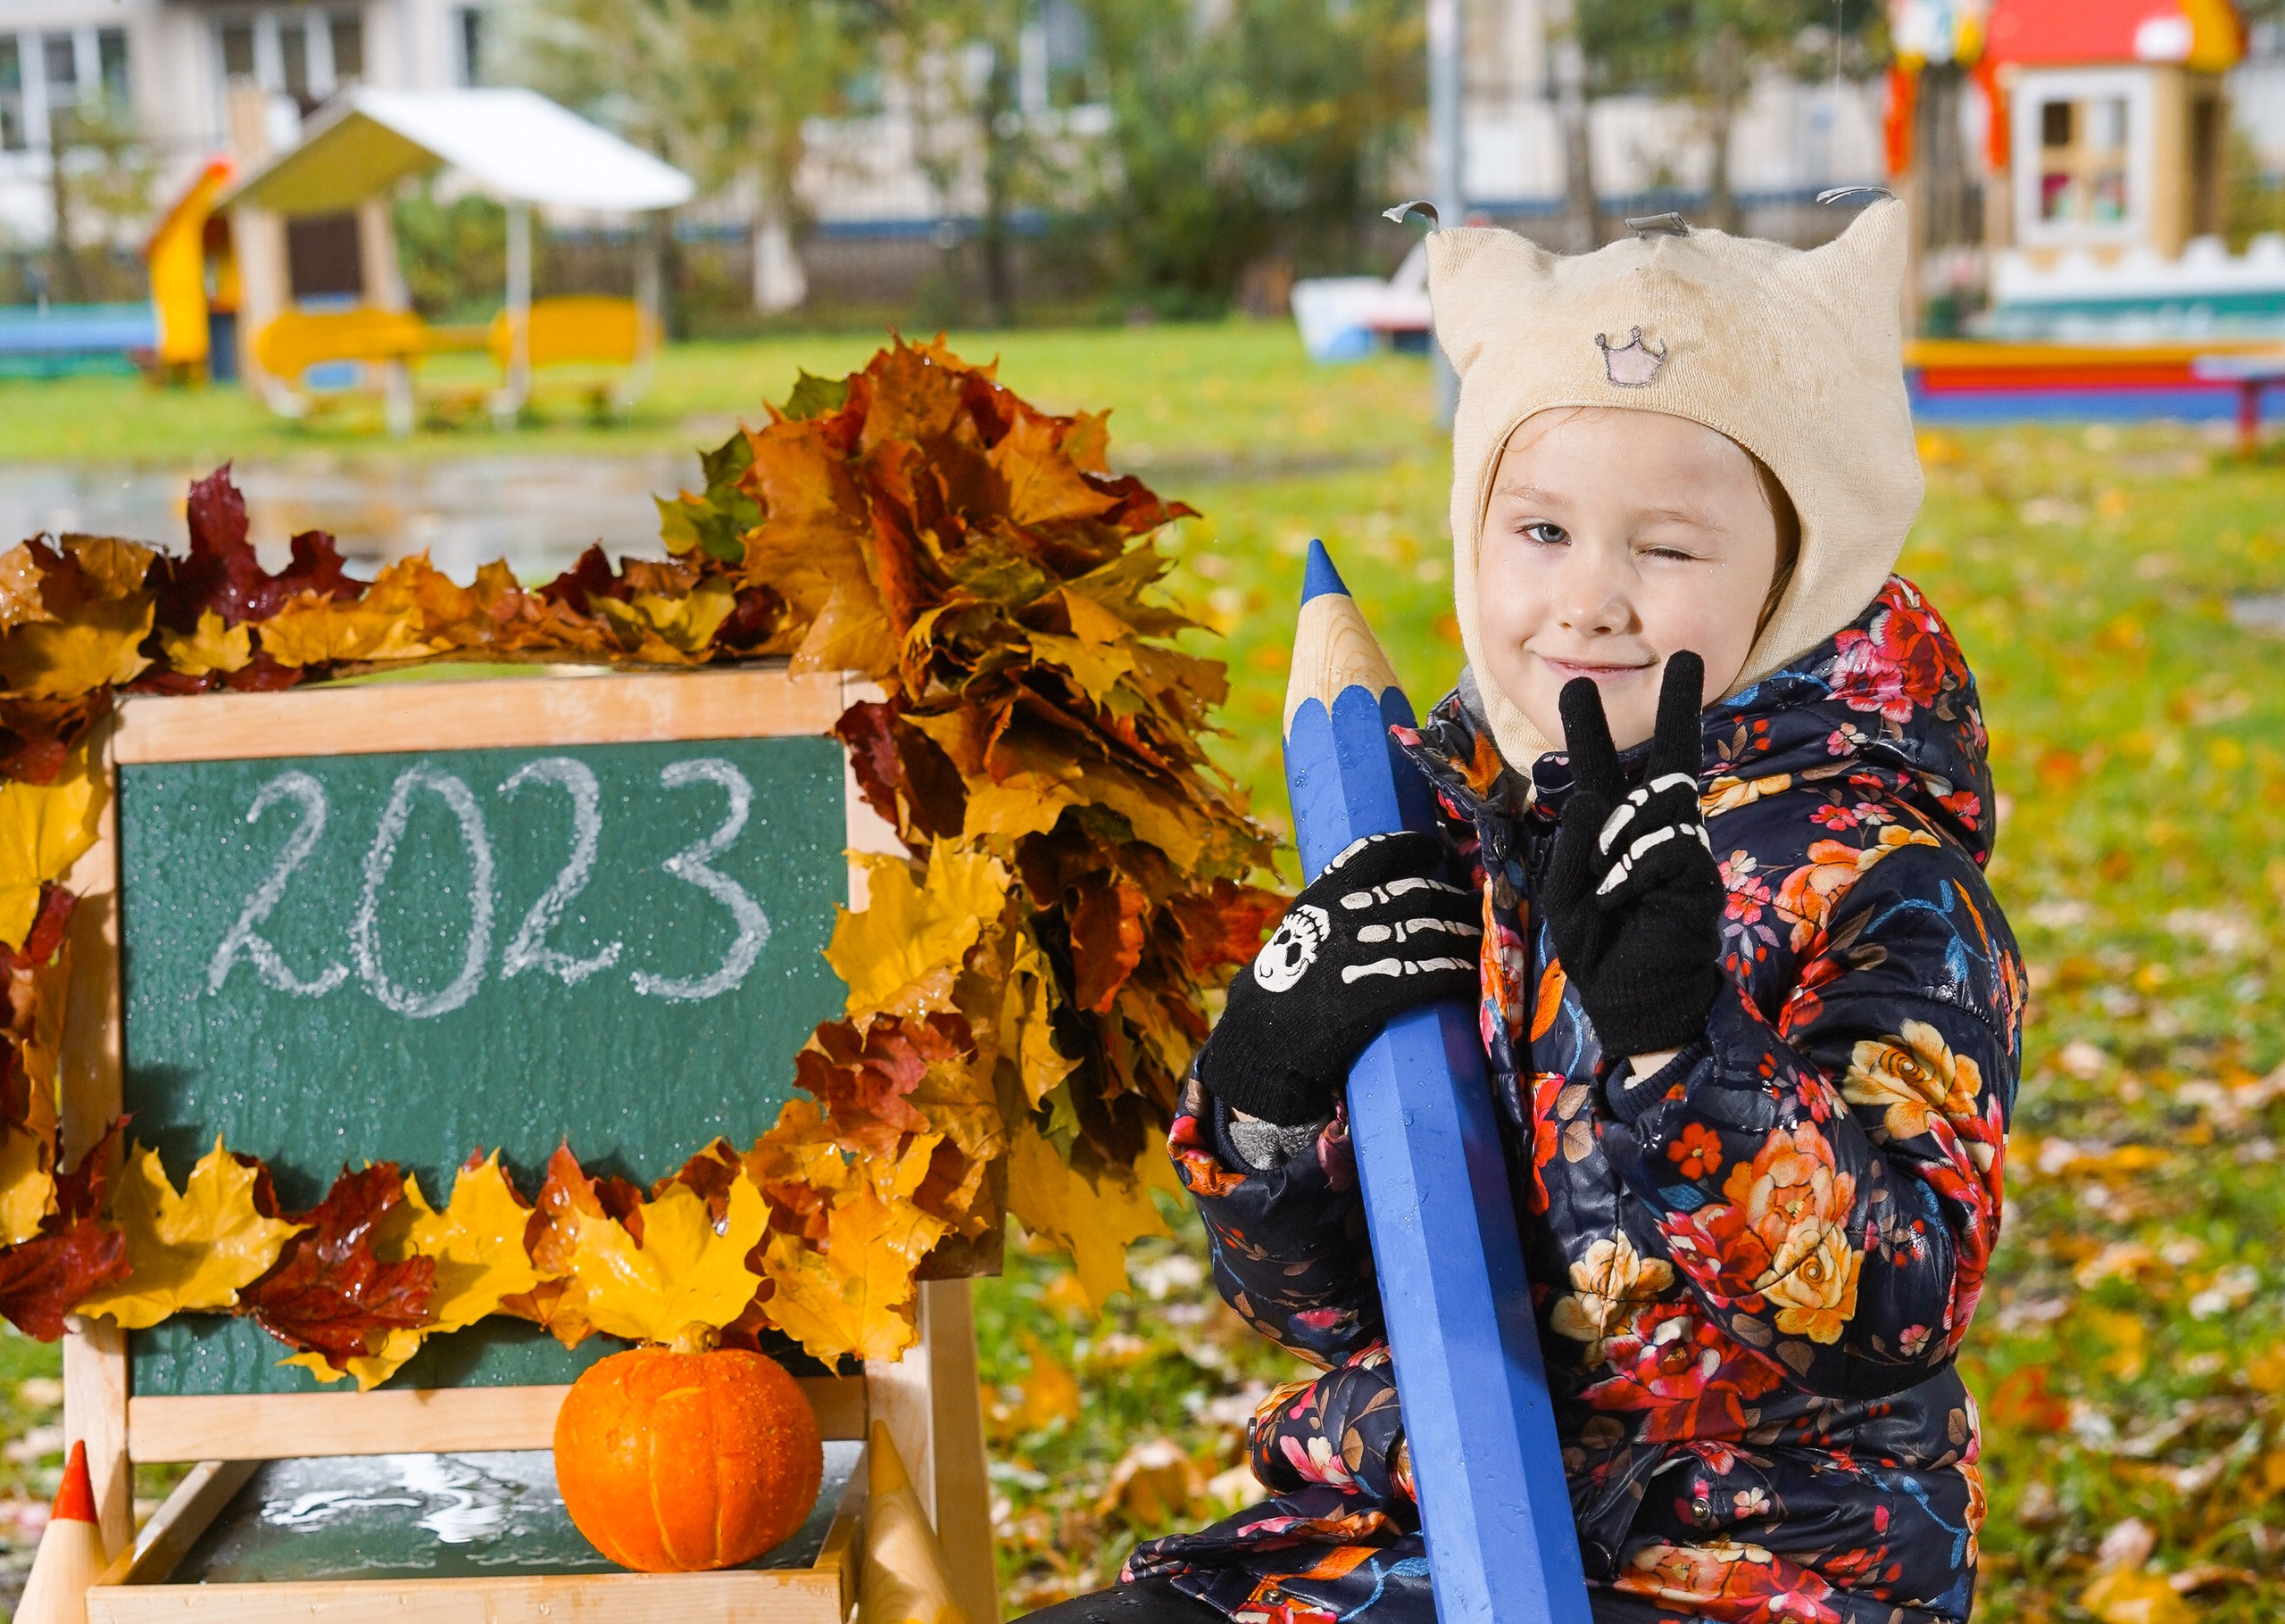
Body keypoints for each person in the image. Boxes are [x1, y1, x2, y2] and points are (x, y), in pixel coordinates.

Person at [1019, 198, 2020, 1624]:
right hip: (1418, 1520)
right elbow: (1334, 1306)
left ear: (1797, 577)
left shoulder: (1880, 881)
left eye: (1667, 550)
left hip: (1755, 1568)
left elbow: (1896, 1313)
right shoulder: (1450, 822)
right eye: (1540, 527)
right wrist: (1263, 1099)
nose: (1589, 599)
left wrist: (1688, 1057)